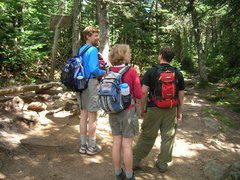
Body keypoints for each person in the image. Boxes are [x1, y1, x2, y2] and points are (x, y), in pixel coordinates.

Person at [133, 46, 185, 173]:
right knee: (168, 137)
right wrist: (179, 111)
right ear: (171, 59)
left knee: (147, 136)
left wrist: (142, 108)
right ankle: (162, 164)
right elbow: (181, 95)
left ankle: (134, 161)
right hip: (171, 109)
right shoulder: (177, 73)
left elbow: (144, 92)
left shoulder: (151, 71)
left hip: (154, 108)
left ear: (161, 56)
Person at [108, 44, 142, 180]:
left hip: (112, 111)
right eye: (129, 52)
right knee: (127, 145)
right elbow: (139, 94)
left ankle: (118, 173)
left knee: (116, 143)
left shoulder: (108, 71)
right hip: (127, 111)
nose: (130, 54)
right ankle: (129, 175)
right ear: (122, 55)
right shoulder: (131, 71)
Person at [76, 26, 105, 155]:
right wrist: (104, 72)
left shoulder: (81, 50)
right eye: (95, 35)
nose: (97, 38)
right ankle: (92, 147)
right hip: (91, 83)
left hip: (80, 84)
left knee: (83, 115)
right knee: (93, 116)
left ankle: (83, 146)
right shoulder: (92, 49)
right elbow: (94, 69)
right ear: (88, 36)